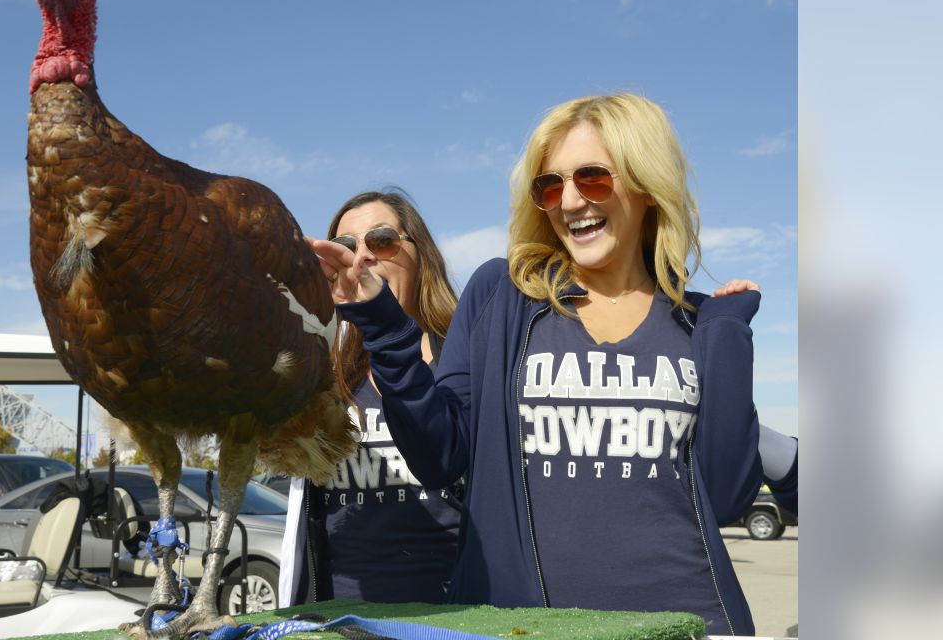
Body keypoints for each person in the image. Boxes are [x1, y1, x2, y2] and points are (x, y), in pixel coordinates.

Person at [312, 94, 764, 635]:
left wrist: (729, 331)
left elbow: (730, 492)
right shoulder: (502, 298)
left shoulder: (700, 325)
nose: (571, 201)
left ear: (646, 185)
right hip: (531, 627)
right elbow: (439, 456)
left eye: (593, 178)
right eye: (551, 186)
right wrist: (383, 326)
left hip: (692, 621)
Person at [279, 189, 463, 606]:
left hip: (456, 614)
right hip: (342, 616)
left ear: (422, 256)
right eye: (345, 247)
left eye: (382, 241)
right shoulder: (322, 371)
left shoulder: (466, 356)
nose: (362, 258)